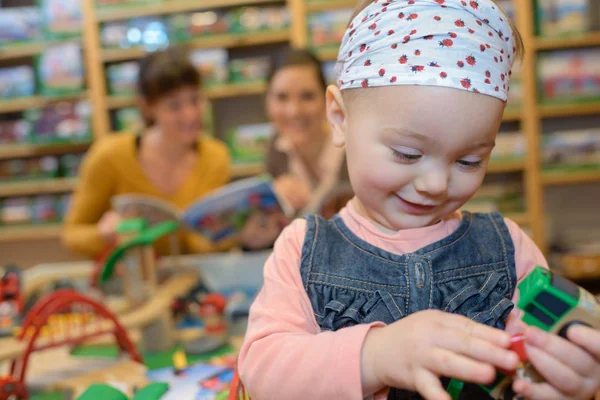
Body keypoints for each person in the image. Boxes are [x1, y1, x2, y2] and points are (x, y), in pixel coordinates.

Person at [238, 1, 600, 399]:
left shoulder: (511, 250)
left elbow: (542, 362)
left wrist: (571, 382)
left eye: (469, 160)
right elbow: (262, 371)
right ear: (340, 118)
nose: (435, 183)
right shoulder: (302, 249)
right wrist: (374, 357)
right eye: (407, 154)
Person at [62, 48, 231, 258]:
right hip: (131, 282)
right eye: (174, 106)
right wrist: (103, 234)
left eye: (195, 100)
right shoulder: (110, 156)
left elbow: (211, 243)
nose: (190, 114)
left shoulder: (216, 157)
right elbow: (72, 235)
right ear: (147, 107)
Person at [238, 49, 352, 250]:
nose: (294, 111)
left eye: (307, 96)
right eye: (282, 97)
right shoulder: (277, 148)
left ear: (328, 99)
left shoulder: (355, 146)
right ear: (267, 102)